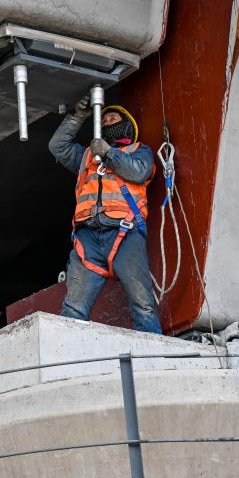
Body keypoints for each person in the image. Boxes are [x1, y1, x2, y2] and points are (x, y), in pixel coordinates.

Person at [48, 98, 163, 334]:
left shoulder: (139, 151)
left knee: (143, 305)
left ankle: (154, 353)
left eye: (113, 119)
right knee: (73, 308)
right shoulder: (87, 156)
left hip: (125, 233)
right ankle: (67, 353)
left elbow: (139, 172)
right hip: (88, 237)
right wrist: (78, 116)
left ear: (127, 125)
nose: (107, 122)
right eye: (103, 121)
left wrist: (109, 153)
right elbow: (57, 146)